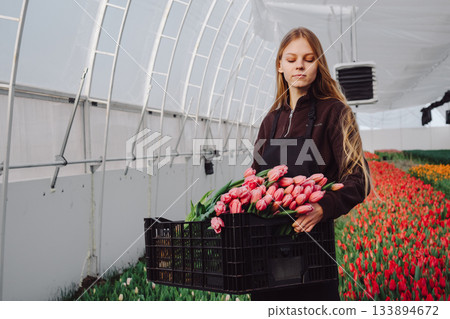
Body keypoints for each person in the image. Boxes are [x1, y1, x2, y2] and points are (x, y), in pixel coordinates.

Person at [250, 27, 371, 301]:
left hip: (314, 250)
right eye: (291, 60)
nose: (299, 66)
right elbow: (255, 181)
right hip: (267, 253)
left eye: (308, 58)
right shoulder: (270, 122)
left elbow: (358, 178)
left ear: (319, 64)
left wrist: (323, 206)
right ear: (280, 66)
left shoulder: (335, 113)